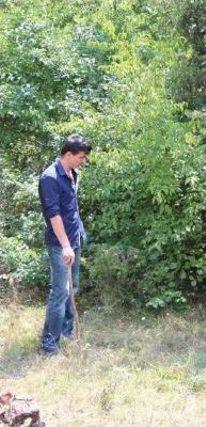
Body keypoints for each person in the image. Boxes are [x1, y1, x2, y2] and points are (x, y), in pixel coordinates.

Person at [38, 134, 91, 356]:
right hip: (61, 244)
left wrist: (78, 235)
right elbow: (54, 214)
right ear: (68, 154)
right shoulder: (50, 178)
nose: (83, 161)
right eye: (81, 157)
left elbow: (71, 207)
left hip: (74, 239)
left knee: (72, 287)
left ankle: (67, 331)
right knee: (60, 292)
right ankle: (49, 343)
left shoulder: (72, 173)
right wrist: (66, 246)